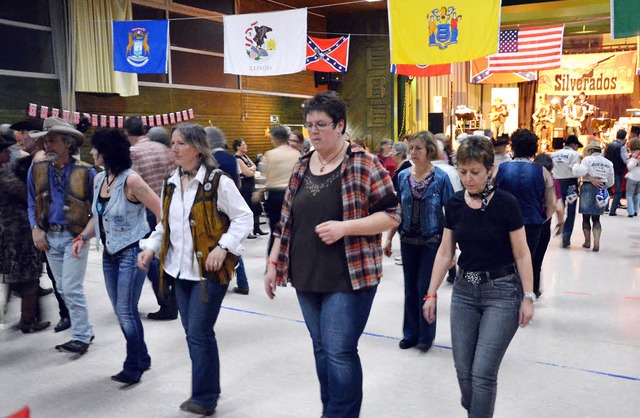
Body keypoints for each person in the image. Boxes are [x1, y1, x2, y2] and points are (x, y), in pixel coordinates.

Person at [264, 91, 400, 418]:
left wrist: (345, 228)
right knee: (322, 349)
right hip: (306, 274)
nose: (313, 131)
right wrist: (272, 263)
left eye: (321, 124)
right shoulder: (301, 165)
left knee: (339, 350)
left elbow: (393, 214)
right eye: (309, 124)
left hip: (349, 276)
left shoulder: (365, 163)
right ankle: (331, 410)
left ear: (340, 126)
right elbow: (285, 222)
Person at [138, 123, 252, 416]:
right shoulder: (171, 181)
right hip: (179, 271)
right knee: (193, 332)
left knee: (199, 332)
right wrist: (151, 247)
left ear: (198, 149)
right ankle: (207, 387)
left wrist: (223, 246)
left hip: (209, 273)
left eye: (180, 144)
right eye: (172, 143)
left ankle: (205, 396)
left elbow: (244, 218)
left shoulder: (218, 182)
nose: (173, 149)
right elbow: (165, 224)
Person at [423, 135, 535, 418]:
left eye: (475, 172)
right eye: (462, 172)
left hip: (502, 292)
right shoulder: (455, 203)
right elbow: (445, 252)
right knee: (464, 372)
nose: (468, 179)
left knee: (483, 373)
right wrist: (431, 292)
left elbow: (522, 253)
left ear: (490, 171)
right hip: (464, 291)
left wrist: (528, 296)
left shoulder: (506, 204)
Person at [71, 129, 160, 384]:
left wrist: (153, 245)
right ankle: (142, 357)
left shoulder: (132, 181)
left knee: (125, 310)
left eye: (95, 148)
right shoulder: (99, 179)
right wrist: (82, 237)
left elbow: (161, 212)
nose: (91, 152)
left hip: (132, 252)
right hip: (110, 255)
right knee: (122, 310)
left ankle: (134, 365)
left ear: (108, 151)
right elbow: (97, 219)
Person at [27, 117, 96, 354]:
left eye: (53, 141)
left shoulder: (87, 173)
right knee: (63, 288)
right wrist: (35, 228)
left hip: (75, 236)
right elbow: (30, 201)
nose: (47, 145)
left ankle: (82, 336)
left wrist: (85, 236)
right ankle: (85, 328)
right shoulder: (36, 169)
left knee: (71, 287)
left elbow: (98, 210)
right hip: (50, 237)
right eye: (45, 141)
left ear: (68, 144)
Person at [383, 131, 454, 352]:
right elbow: (399, 210)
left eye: (418, 149)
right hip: (407, 240)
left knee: (426, 288)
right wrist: (389, 237)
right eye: (411, 148)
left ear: (429, 151)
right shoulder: (403, 177)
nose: (413, 153)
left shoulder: (441, 178)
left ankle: (426, 335)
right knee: (410, 289)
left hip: (432, 242)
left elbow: (451, 215)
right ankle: (410, 333)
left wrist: (452, 250)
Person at [124, 116, 177, 320]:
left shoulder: (133, 153)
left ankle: (166, 303)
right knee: (166, 255)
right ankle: (173, 298)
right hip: (169, 206)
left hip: (146, 211)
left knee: (150, 257)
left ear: (127, 133)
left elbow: (132, 186)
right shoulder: (165, 149)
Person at [0, 133, 50, 333]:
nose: (8, 153)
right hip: (18, 233)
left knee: (15, 276)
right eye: (4, 151)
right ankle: (28, 321)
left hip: (8, 233)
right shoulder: (3, 177)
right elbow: (25, 193)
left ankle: (17, 315)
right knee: (29, 276)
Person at [496, 129, 556, 267]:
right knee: (527, 261)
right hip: (532, 222)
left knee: (505, 262)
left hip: (505, 223)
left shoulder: (500, 169)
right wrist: (543, 218)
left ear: (513, 147)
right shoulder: (543, 172)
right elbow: (552, 203)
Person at [205, 126, 251, 295]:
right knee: (233, 242)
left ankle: (221, 277)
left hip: (215, 208)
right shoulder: (231, 159)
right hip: (233, 203)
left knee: (223, 244)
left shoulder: (209, 160)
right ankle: (243, 282)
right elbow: (237, 182)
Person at [263, 125, 300, 256]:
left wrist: (259, 192)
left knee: (275, 230)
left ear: (275, 138)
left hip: (274, 196)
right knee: (293, 229)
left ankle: (272, 261)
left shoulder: (270, 154)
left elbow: (266, 178)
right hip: (293, 196)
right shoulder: (297, 154)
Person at [531, 153, 563, 298]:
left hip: (523, 223)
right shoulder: (552, 181)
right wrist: (560, 223)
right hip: (543, 223)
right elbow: (558, 206)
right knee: (537, 261)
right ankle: (534, 289)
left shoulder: (528, 178)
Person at [573, 141, 614, 251]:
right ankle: (597, 241)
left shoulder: (588, 159)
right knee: (596, 218)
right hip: (602, 188)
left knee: (586, 216)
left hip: (587, 188)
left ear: (591, 150)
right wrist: (603, 184)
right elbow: (611, 181)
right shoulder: (608, 163)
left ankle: (587, 241)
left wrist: (576, 166)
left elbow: (580, 172)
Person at [551, 135, 583, 247]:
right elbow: (576, 170)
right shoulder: (575, 155)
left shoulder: (554, 154)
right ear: (574, 145)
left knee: (558, 208)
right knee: (571, 210)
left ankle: (560, 224)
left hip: (557, 184)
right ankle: (566, 234)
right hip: (571, 184)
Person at [233, 138, 266, 238]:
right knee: (248, 207)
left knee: (256, 206)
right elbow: (247, 173)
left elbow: (254, 167)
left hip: (252, 184)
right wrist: (251, 171)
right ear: (238, 147)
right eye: (243, 144)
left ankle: (257, 228)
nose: (246, 146)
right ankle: (248, 232)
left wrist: (251, 170)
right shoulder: (237, 158)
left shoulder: (245, 156)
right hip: (245, 186)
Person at [604, 129, 629, 216]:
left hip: (608, 170)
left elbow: (605, 156)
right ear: (625, 137)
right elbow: (625, 159)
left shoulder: (609, 145)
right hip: (618, 171)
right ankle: (613, 210)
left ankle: (605, 207)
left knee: (607, 188)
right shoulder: (622, 147)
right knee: (617, 191)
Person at [625, 138, 640, 217]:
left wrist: (627, 159)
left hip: (632, 176)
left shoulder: (635, 155)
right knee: (637, 194)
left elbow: (630, 166)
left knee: (629, 194)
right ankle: (636, 210)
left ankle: (631, 211)